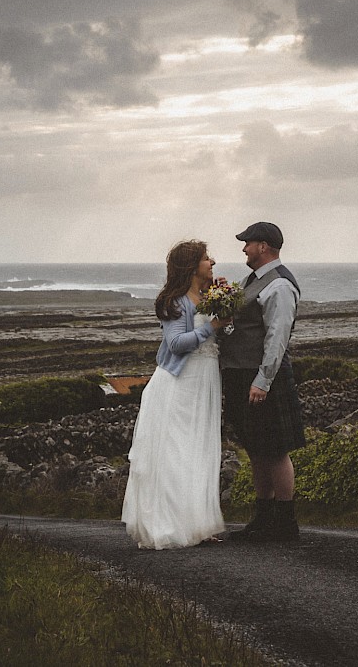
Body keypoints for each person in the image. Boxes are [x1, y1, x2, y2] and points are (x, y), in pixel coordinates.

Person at [121, 240, 230, 549]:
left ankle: (197, 523)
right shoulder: (177, 301)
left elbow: (223, 330)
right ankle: (171, 524)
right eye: (207, 259)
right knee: (177, 451)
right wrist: (212, 325)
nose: (212, 262)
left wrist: (224, 305)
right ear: (192, 265)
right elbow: (177, 344)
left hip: (205, 379)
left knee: (199, 447)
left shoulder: (207, 296)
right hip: (180, 382)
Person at [219, 222, 305, 542]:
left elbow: (276, 337)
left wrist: (263, 380)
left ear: (264, 247)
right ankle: (264, 518)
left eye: (248, 243)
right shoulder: (252, 280)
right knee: (256, 448)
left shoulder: (279, 285)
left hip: (262, 377)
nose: (244, 248)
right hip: (243, 374)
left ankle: (285, 522)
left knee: (276, 449)